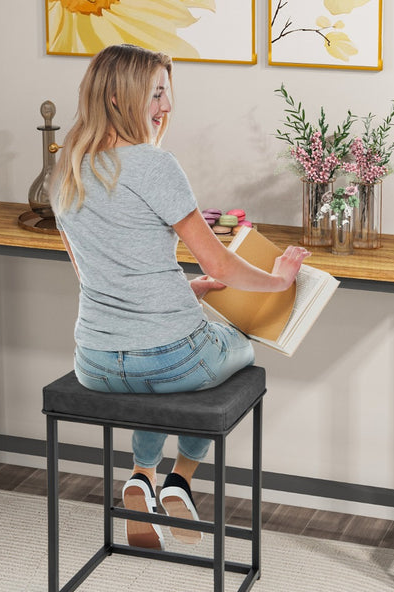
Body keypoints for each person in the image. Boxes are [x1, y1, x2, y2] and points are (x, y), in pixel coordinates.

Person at [49, 44, 308, 551]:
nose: (166, 106)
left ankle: (141, 477)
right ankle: (180, 481)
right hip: (169, 356)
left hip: (95, 362)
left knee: (155, 377)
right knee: (237, 346)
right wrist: (279, 279)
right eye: (157, 93)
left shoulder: (65, 169)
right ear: (123, 97)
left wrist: (180, 290)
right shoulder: (152, 164)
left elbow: (92, 275)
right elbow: (219, 264)